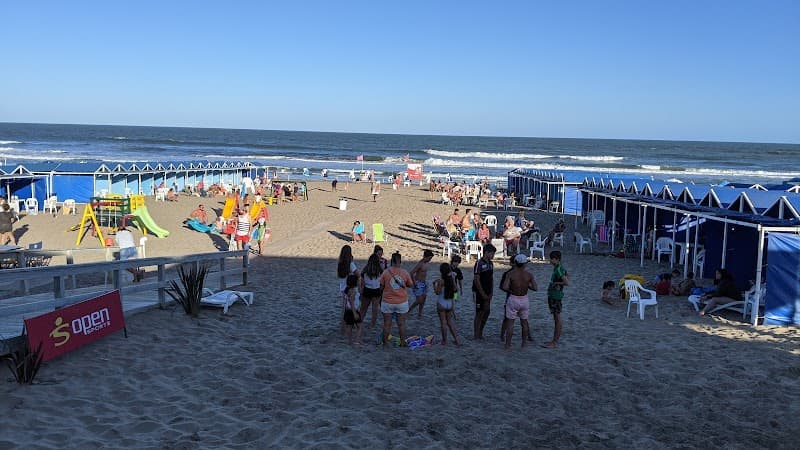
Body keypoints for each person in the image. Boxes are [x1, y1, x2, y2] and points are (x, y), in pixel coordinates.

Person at [500, 253, 538, 349]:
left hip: (513, 298)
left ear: (515, 263)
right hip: (524, 299)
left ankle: (508, 344)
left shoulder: (510, 274)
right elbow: (535, 288)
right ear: (524, 264)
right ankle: (523, 344)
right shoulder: (529, 275)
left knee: (511, 323)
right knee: (524, 322)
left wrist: (511, 290)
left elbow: (504, 287)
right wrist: (526, 285)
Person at [379, 251, 414, 347]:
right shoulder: (404, 272)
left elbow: (381, 286)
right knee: (401, 323)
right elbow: (410, 285)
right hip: (401, 302)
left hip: (387, 301)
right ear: (400, 261)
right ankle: (403, 342)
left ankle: (385, 343)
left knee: (387, 324)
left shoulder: (386, 272)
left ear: (391, 261)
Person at [543, 250, 568, 349]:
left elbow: (566, 282)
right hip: (555, 295)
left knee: (557, 319)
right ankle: (554, 341)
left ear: (557, 259)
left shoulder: (558, 269)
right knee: (556, 318)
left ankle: (554, 342)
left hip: (556, 296)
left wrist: (557, 284)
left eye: (552, 259)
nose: (550, 261)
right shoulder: (559, 268)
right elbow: (567, 275)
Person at [472, 243, 496, 340]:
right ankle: (476, 334)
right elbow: (476, 280)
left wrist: (491, 292)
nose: (493, 256)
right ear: (486, 253)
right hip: (479, 292)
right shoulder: (479, 263)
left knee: (487, 311)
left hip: (488, 291)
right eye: (492, 254)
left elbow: (491, 278)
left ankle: (481, 331)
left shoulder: (491, 264)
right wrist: (482, 293)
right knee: (479, 313)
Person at [434, 263, 461, 346]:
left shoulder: (441, 281)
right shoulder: (451, 279)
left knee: (443, 323)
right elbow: (456, 289)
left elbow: (437, 292)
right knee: (450, 322)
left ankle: (444, 341)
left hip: (441, 303)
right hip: (449, 304)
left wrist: (434, 285)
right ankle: (457, 340)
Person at [408, 249, 435, 319]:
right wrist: (414, 283)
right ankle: (408, 311)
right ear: (425, 257)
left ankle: (420, 312)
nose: (430, 260)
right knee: (419, 300)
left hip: (424, 283)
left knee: (424, 299)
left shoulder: (426, 263)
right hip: (418, 283)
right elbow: (411, 273)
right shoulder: (420, 264)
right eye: (429, 258)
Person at [359, 254, 384, 329]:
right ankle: (373, 325)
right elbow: (382, 283)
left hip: (367, 290)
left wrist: (361, 293)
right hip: (376, 290)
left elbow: (362, 284)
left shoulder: (365, 270)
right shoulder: (380, 270)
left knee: (363, 308)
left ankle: (359, 322)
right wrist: (381, 290)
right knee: (375, 309)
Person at [342, 274, 363, 346]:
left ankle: (350, 341)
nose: (358, 282)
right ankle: (357, 341)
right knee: (360, 327)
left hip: (348, 311)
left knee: (349, 327)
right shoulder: (353, 291)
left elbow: (345, 302)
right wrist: (355, 313)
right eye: (357, 281)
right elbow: (351, 302)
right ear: (355, 282)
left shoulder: (346, 290)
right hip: (353, 311)